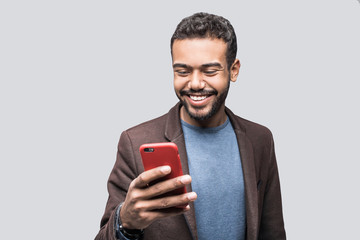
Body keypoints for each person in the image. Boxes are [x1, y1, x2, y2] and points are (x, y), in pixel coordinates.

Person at [95, 12, 286, 240]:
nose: (195, 83)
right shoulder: (135, 141)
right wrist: (125, 222)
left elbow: (273, 232)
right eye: (182, 71)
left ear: (233, 70)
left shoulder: (260, 139)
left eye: (210, 71)